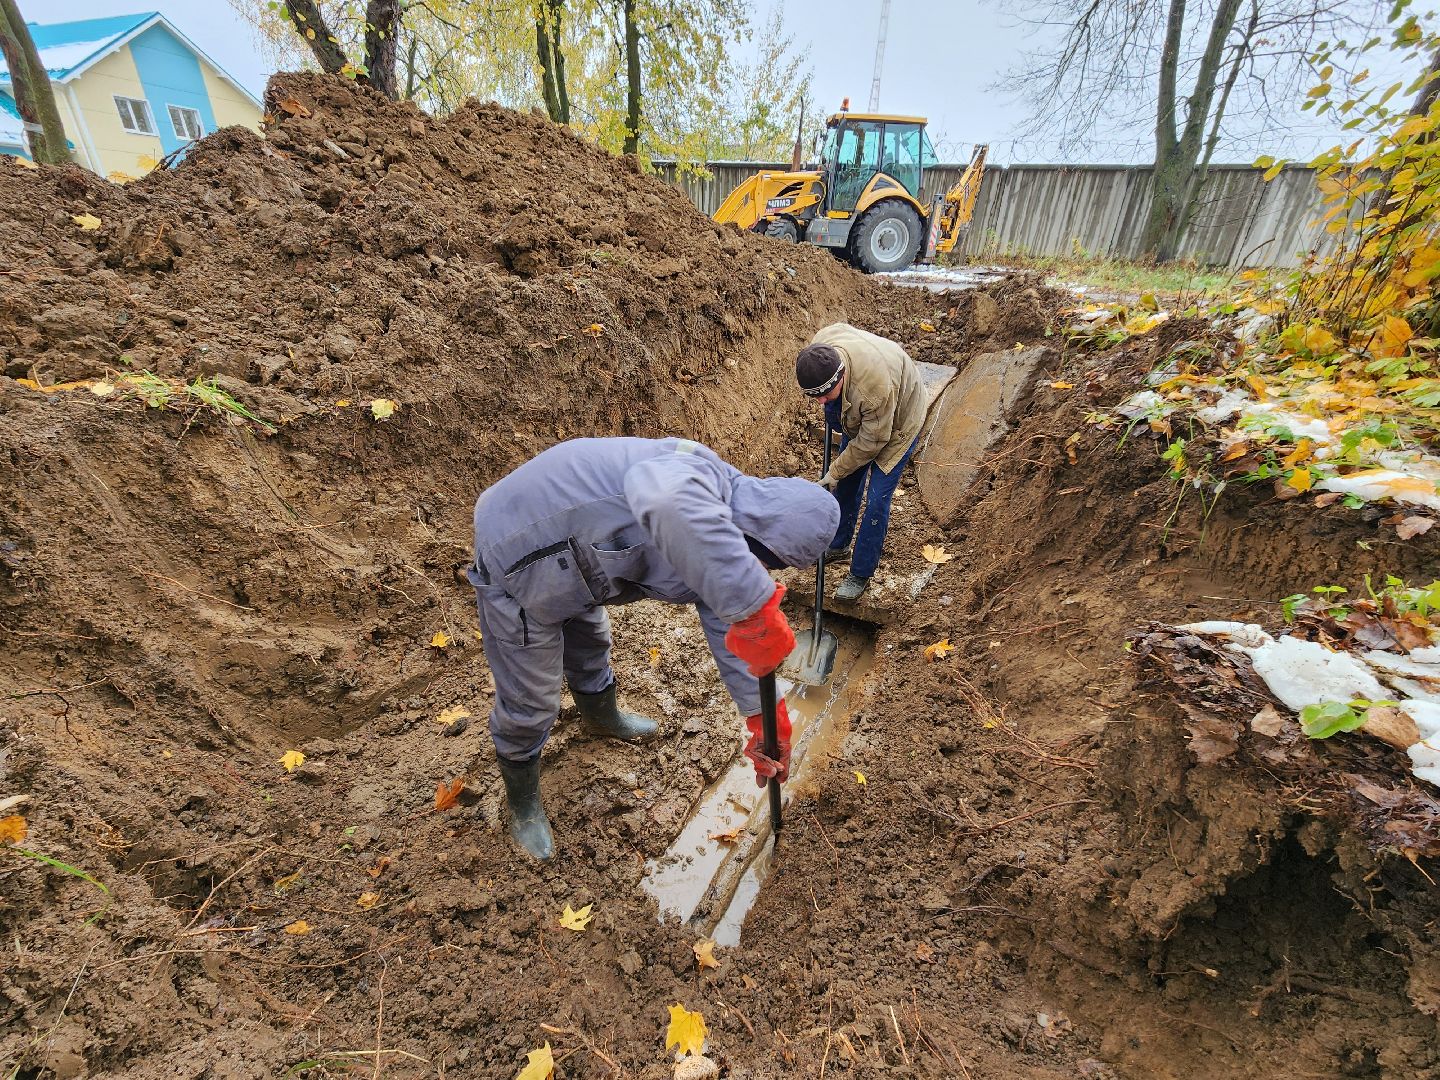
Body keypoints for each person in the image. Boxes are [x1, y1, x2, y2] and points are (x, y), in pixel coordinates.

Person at [468, 436, 840, 860]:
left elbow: (726, 620)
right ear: (758, 529)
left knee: (590, 644)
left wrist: (764, 716)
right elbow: (662, 495)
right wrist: (752, 602)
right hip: (517, 546)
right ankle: (523, 805)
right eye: (764, 561)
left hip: (579, 565)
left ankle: (600, 717)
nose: (761, 570)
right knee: (531, 700)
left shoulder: (717, 542)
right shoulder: (691, 482)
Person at [794, 323, 926, 600]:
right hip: (868, 412)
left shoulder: (873, 390)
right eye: (814, 396)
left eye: (824, 394)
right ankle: (839, 544)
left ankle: (860, 572)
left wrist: (834, 470)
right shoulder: (822, 348)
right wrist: (831, 406)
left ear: (840, 376)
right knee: (847, 482)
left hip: (899, 420)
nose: (819, 402)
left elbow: (871, 443)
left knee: (877, 500)